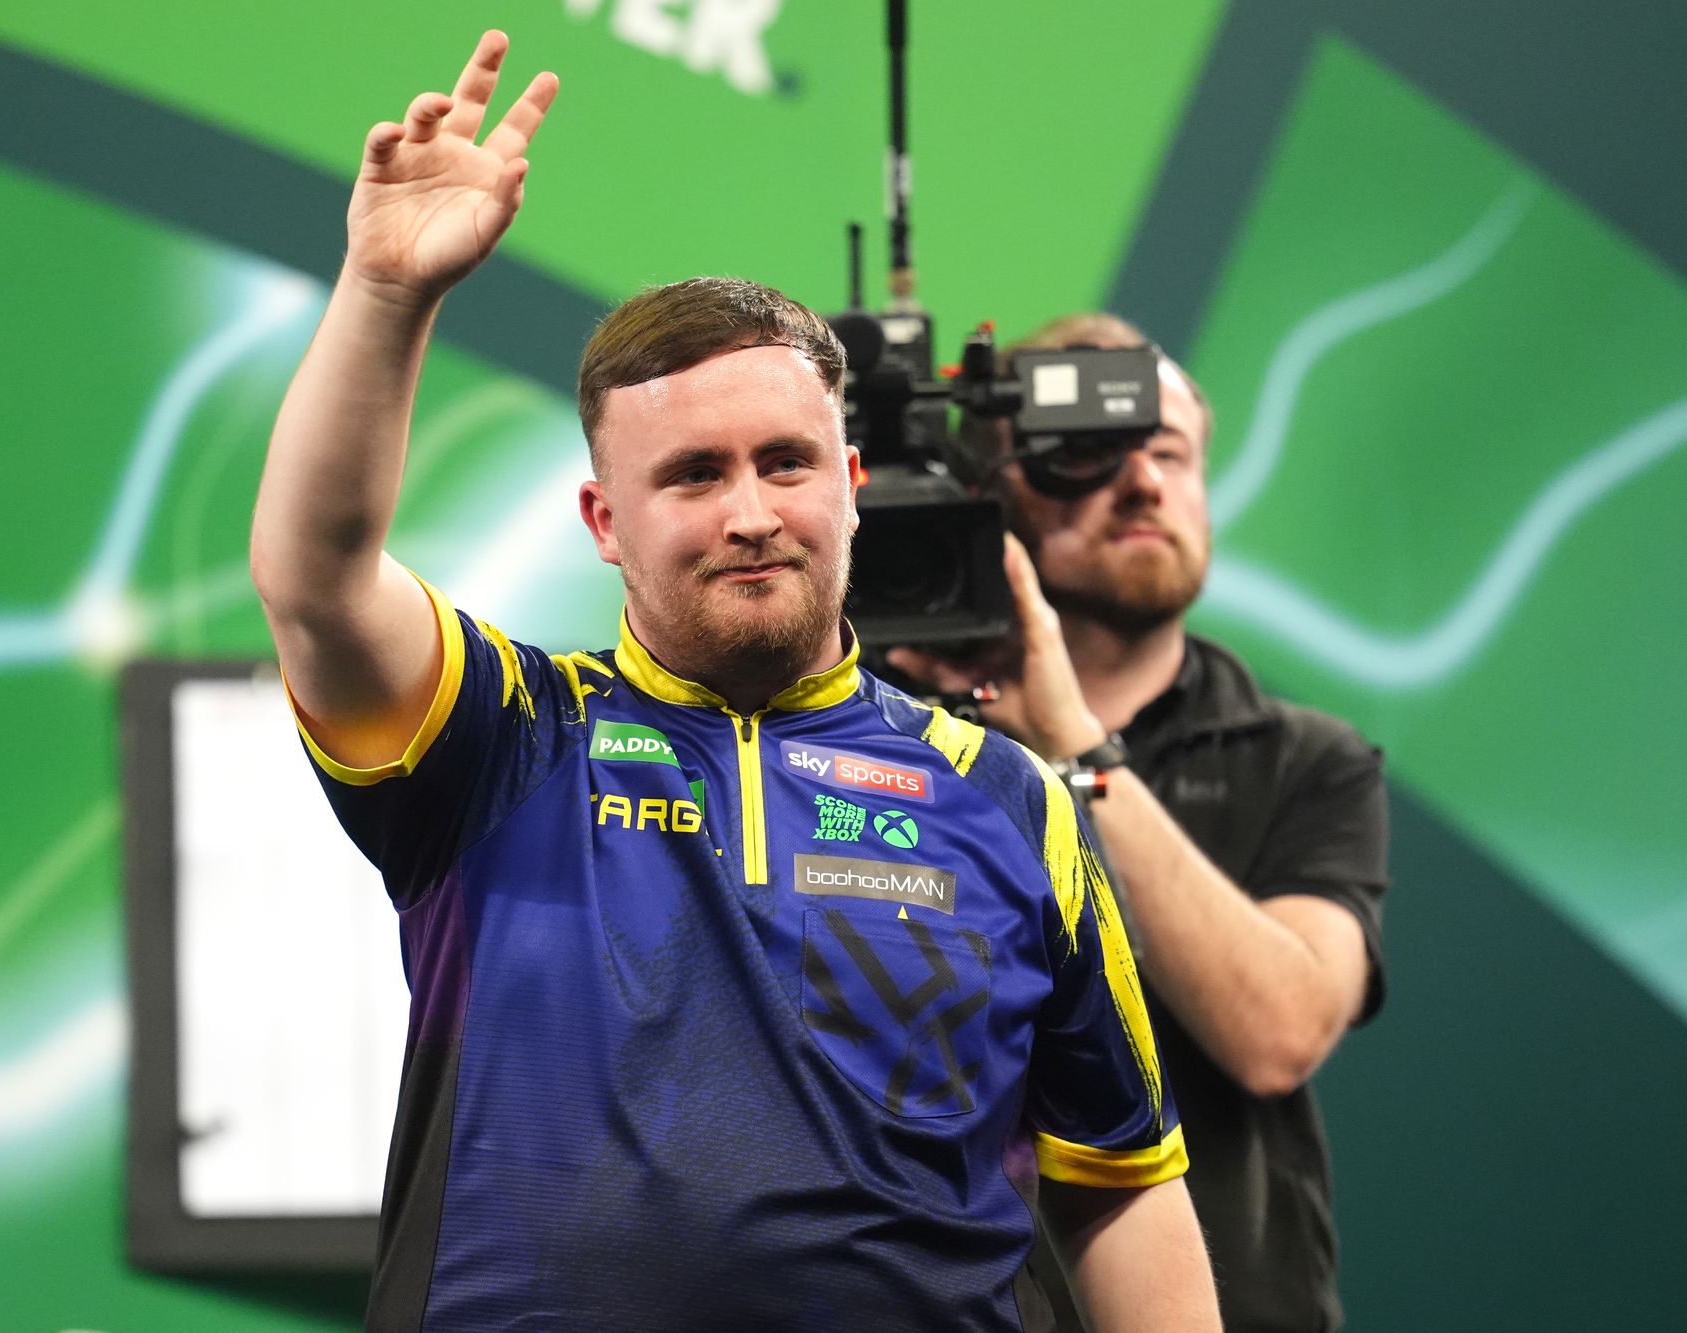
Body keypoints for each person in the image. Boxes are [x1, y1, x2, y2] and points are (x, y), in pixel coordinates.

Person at [250, 32, 1221, 1333]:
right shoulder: (501, 738)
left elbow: (1125, 1189)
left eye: (786, 462)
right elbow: (315, 576)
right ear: (605, 519)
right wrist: (384, 290)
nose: (752, 510)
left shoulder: (1010, 800)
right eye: (694, 474)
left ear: (852, 486)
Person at [889, 314, 1389, 1332]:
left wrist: (1068, 743)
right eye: (1086, 454)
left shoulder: (1303, 758)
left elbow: (1280, 1031)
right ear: (990, 492)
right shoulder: (881, 739)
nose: (1143, 482)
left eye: (1167, 452)